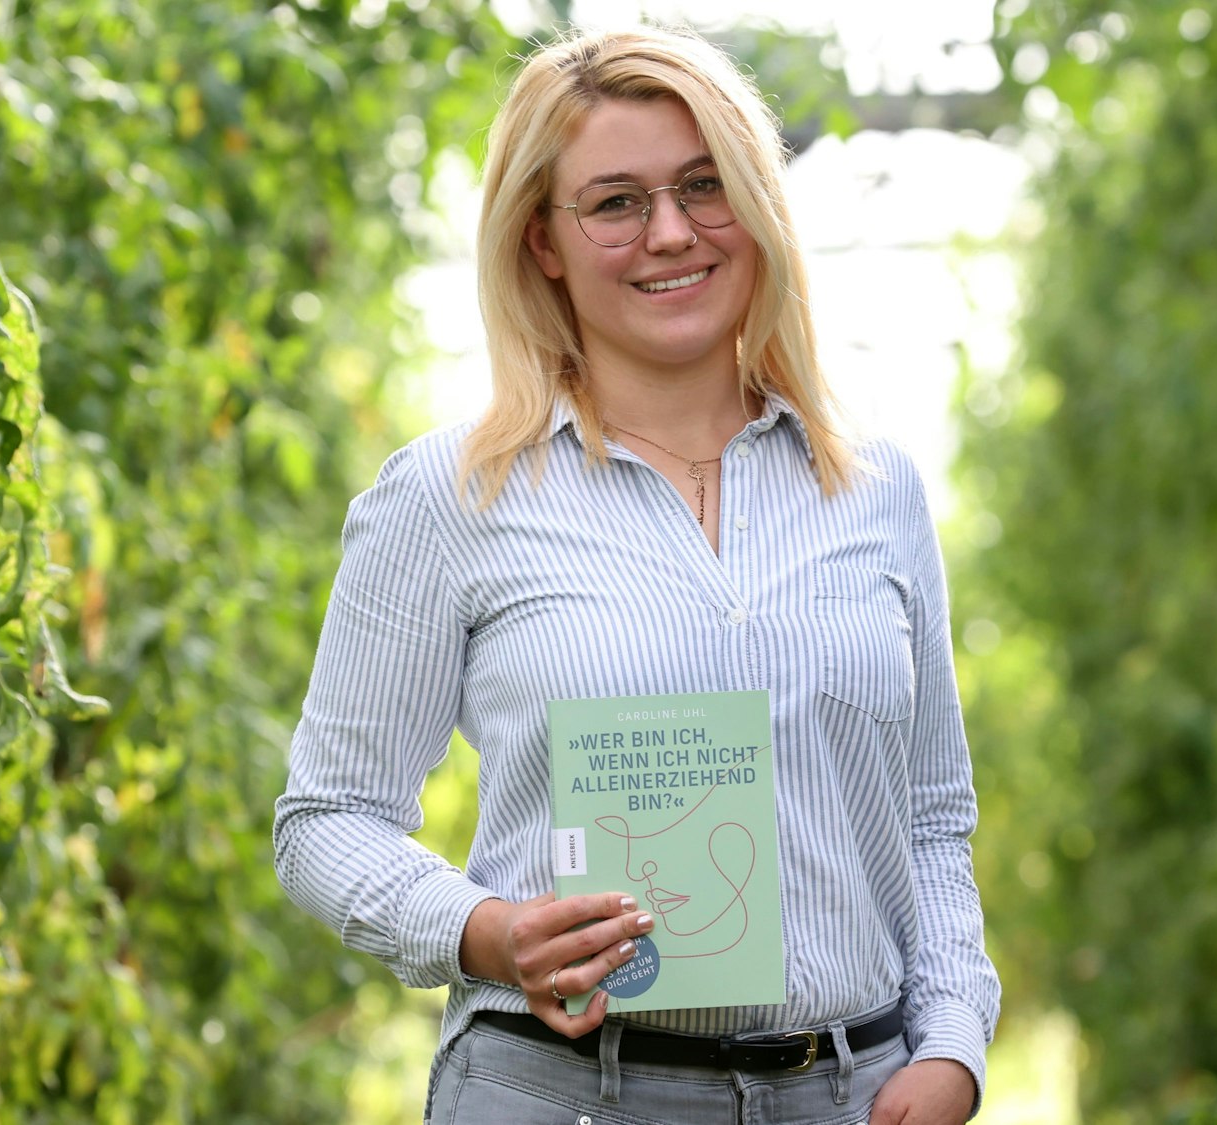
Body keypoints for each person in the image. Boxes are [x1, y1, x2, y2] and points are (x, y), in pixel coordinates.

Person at [274, 24, 999, 1124]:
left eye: (704, 187)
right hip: (559, 1092)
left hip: (849, 1097)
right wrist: (486, 931)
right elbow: (327, 818)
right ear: (543, 242)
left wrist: (948, 1046)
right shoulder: (451, 494)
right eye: (614, 202)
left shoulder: (872, 487)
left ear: (757, 205)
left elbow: (932, 820)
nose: (670, 233)